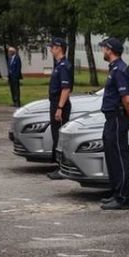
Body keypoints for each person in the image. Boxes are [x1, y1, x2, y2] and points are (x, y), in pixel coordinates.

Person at [97, 37, 129, 210]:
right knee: (112, 157)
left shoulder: (120, 70)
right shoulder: (114, 69)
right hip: (111, 118)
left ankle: (122, 198)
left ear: (110, 50)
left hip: (117, 118)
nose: (103, 51)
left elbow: (127, 100)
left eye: (104, 48)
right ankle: (116, 193)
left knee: (118, 158)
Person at [46, 38, 74, 180]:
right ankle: (59, 165)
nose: (51, 49)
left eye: (52, 47)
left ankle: (61, 167)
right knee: (56, 135)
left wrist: (59, 108)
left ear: (59, 48)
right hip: (56, 103)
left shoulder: (64, 65)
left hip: (60, 104)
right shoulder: (59, 65)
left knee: (59, 137)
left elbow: (66, 89)